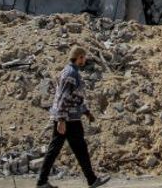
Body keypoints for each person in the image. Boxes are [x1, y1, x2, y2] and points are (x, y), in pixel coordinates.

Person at [37, 47, 109, 188]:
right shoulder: (71, 73)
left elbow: (75, 97)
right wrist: (62, 120)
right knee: (79, 149)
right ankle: (92, 180)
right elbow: (64, 97)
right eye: (83, 57)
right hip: (69, 119)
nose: (85, 59)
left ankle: (42, 182)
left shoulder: (70, 71)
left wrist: (86, 112)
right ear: (78, 57)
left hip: (68, 117)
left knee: (55, 149)